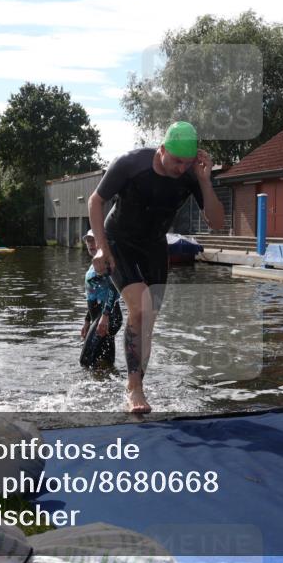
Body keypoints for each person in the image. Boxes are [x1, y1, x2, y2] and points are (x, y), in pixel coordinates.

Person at [88, 121, 224, 412]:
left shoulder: (190, 175)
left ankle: (138, 384)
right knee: (139, 309)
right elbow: (95, 201)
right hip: (119, 240)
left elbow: (217, 223)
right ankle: (134, 389)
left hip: (153, 246)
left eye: (187, 163)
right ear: (162, 150)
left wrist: (203, 180)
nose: (180, 169)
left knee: (148, 321)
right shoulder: (131, 163)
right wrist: (101, 246)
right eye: (176, 161)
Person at [80, 229, 123, 368]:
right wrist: (87, 321)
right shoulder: (93, 266)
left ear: (102, 243)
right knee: (104, 360)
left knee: (85, 360)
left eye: (94, 240)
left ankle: (85, 388)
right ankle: (109, 384)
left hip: (108, 316)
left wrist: (105, 316)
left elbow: (113, 289)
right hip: (100, 318)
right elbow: (93, 296)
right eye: (88, 241)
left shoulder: (106, 264)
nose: (91, 244)